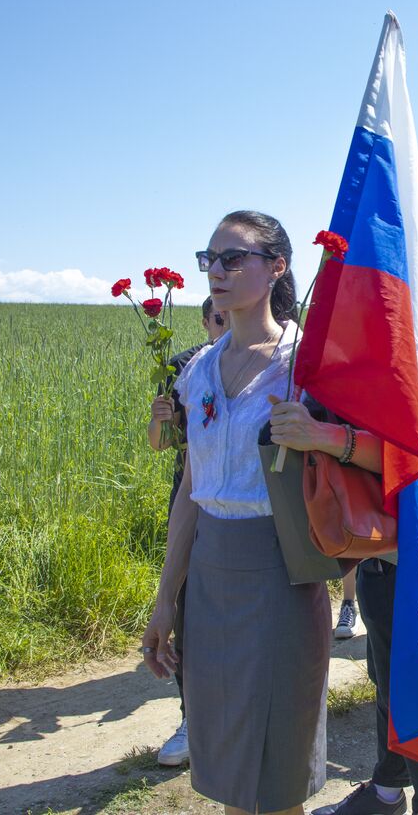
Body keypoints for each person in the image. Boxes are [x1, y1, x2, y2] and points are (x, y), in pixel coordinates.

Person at [142, 210, 350, 815]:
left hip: (282, 570)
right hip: (209, 578)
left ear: (277, 267)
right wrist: (166, 597)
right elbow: (193, 493)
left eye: (235, 258)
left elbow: (380, 453)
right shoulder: (198, 372)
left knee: (277, 759)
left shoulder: (307, 364)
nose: (218, 272)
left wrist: (320, 434)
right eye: (211, 260)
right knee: (229, 757)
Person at [310, 240, 418, 815]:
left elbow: (414, 447)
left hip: (410, 545)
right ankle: (389, 787)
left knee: (410, 677)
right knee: (386, 671)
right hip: (379, 545)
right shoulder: (375, 345)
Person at [144, 296, 227, 768]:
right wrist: (162, 420)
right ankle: (192, 718)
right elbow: (160, 446)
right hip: (191, 500)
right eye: (215, 317)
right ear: (204, 321)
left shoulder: (272, 363)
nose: (223, 322)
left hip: (244, 508)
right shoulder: (186, 366)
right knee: (188, 611)